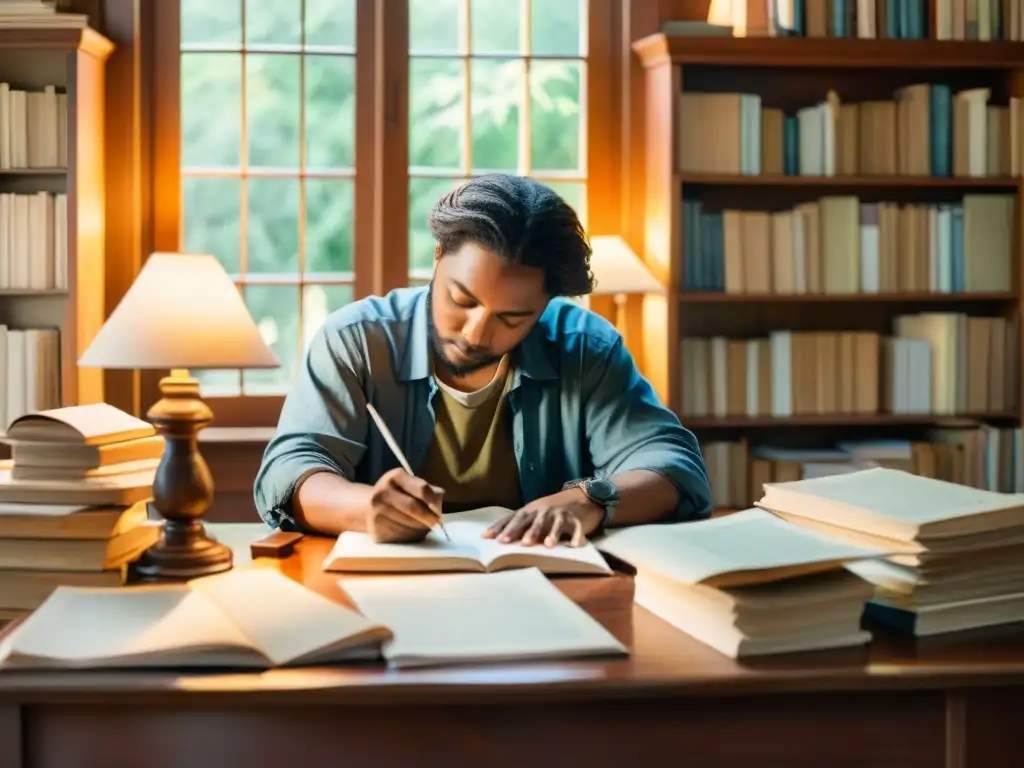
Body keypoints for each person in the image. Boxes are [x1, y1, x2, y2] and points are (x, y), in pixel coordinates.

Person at [254, 174, 711, 547]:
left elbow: (673, 465)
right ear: (437, 257)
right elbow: (291, 469)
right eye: (461, 299)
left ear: (546, 304)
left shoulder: (586, 348)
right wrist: (364, 508)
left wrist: (591, 499)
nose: (476, 333)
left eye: (512, 317)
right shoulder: (356, 341)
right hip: (383, 589)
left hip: (545, 586)